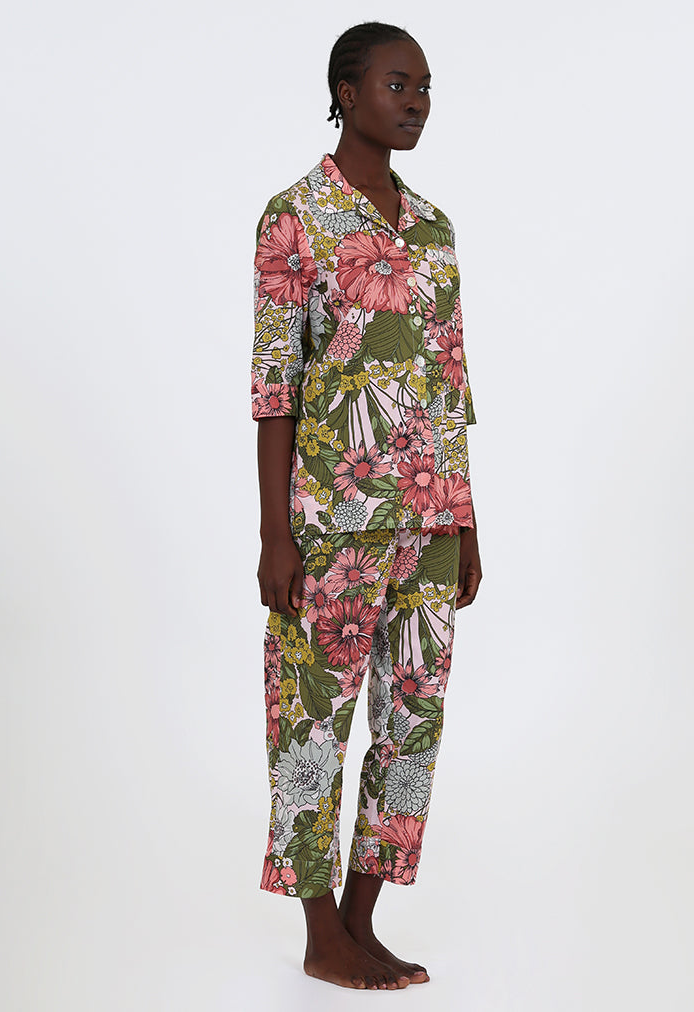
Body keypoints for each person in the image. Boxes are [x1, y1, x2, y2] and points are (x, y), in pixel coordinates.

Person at [251, 21, 482, 991]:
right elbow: (276, 387)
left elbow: (448, 383)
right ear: (346, 93)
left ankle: (359, 921)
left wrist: (466, 517)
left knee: (411, 721)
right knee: (312, 724)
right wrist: (274, 534)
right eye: (398, 84)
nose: (416, 102)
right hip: (330, 525)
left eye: (425, 88)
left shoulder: (433, 227)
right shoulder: (294, 219)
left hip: (429, 522)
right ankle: (318, 935)